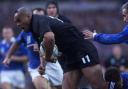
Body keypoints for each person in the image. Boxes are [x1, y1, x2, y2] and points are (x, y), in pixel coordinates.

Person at [3, 7, 107, 89]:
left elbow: (49, 37)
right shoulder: (33, 29)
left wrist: (48, 57)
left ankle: (119, 84)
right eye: (16, 22)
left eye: (19, 20)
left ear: (28, 16)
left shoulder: (38, 21)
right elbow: (42, 46)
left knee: (99, 86)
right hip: (69, 55)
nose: (17, 24)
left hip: (81, 49)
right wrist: (43, 64)